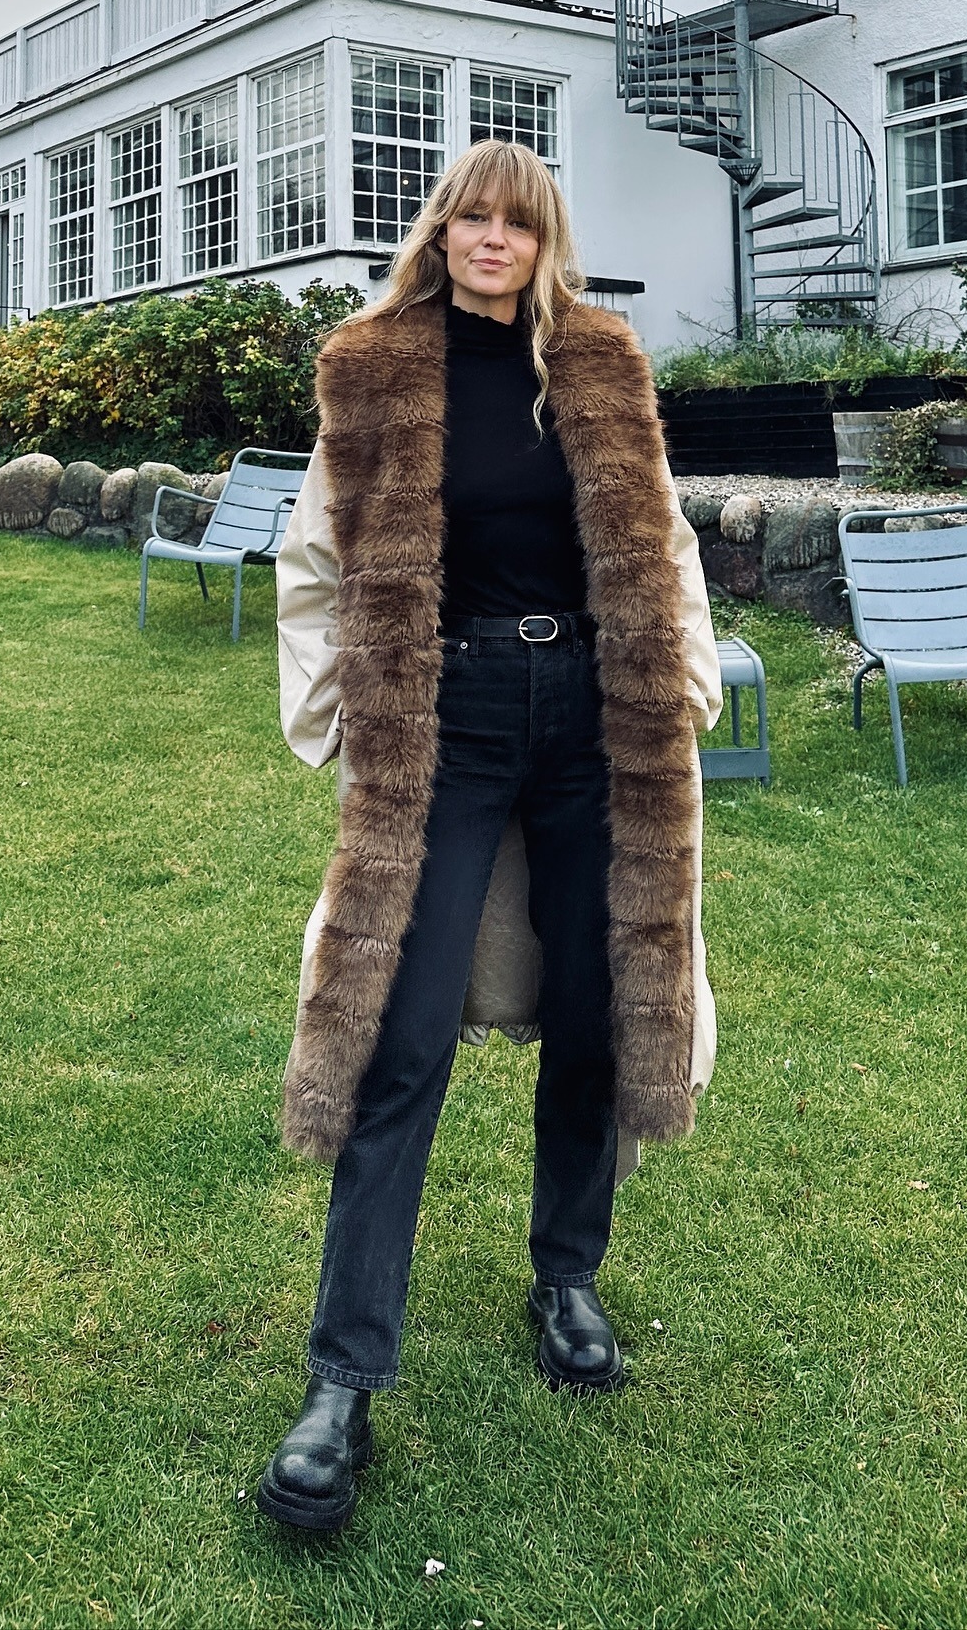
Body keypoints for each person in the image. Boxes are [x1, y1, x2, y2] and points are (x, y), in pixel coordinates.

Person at [258, 140, 722, 1532]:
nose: (491, 239)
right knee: (394, 1031)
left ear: (544, 239)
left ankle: (566, 1278)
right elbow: (317, 553)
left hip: (594, 712)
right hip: (447, 717)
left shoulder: (597, 360)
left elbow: (663, 534)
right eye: (472, 215)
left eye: (516, 222)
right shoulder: (373, 363)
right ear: (441, 228)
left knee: (598, 1006)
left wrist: (683, 679)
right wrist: (340, 715)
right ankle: (343, 1376)